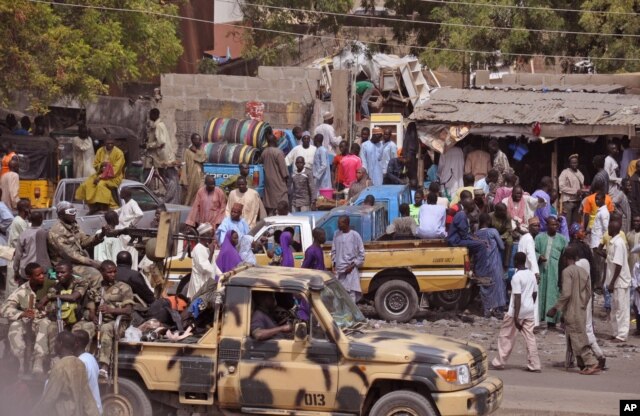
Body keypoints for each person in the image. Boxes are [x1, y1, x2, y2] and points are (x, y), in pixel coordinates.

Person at [546, 247, 600, 375]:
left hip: (571, 309)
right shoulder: (584, 272)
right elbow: (588, 292)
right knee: (576, 336)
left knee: (578, 337)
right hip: (581, 308)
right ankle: (582, 365)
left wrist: (555, 308)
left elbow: (566, 293)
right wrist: (583, 304)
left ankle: (591, 362)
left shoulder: (567, 272)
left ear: (565, 258)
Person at [491, 252, 540, 372]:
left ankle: (499, 362)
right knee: (530, 337)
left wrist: (516, 317)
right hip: (529, 310)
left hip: (515, 311)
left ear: (516, 261)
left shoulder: (516, 277)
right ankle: (535, 364)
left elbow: (517, 297)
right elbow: (534, 293)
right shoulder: (531, 275)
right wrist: (530, 305)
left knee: (506, 336)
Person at [31, 331, 100, 416]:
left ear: (60, 343)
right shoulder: (79, 364)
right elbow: (87, 396)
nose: (54, 345)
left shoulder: (60, 367)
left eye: (55, 342)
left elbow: (50, 397)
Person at [0, 262, 51, 375]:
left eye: (43, 273)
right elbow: (4, 309)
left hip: (43, 321)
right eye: (38, 275)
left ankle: (39, 361)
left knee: (45, 323)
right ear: (29, 277)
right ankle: (21, 362)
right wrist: (22, 314)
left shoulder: (49, 286)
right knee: (14, 326)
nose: (42, 276)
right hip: (28, 323)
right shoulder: (21, 291)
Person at [87, 260, 134, 378]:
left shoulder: (124, 287)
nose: (113, 274)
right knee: (83, 327)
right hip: (100, 320)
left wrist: (111, 310)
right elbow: (91, 307)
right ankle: (85, 361)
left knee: (106, 328)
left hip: (119, 322)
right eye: (109, 272)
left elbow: (128, 310)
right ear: (102, 273)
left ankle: (104, 366)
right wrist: (93, 316)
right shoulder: (96, 288)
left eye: (114, 272)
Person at [41, 261, 95, 338]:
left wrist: (50, 296)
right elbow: (45, 305)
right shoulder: (56, 286)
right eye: (57, 273)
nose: (59, 275)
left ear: (71, 272)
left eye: (63, 272)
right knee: (51, 329)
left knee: (77, 333)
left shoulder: (81, 282)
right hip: (62, 318)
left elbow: (73, 297)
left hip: (80, 317)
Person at [75, 138, 125, 212]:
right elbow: (95, 164)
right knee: (86, 184)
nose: (110, 145)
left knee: (101, 185)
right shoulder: (100, 151)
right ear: (104, 143)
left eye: (112, 143)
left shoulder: (119, 153)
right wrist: (101, 165)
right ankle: (92, 205)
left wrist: (100, 177)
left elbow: (115, 170)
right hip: (99, 174)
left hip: (114, 177)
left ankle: (110, 205)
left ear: (114, 143)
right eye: (108, 143)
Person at [535, 216, 567, 328]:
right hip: (542, 270)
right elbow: (533, 252)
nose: (554, 227)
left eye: (556, 225)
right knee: (541, 294)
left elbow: (565, 257)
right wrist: (539, 256)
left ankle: (552, 321)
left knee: (553, 294)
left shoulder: (562, 240)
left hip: (555, 272)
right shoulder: (539, 238)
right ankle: (539, 318)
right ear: (547, 226)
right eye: (552, 225)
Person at [475, 213, 507, 317]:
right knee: (498, 285)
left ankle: (487, 309)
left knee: (485, 286)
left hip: (481, 264)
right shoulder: (493, 231)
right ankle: (498, 310)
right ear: (489, 221)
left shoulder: (476, 234)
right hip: (494, 262)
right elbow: (502, 247)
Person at [605, 219, 631, 342]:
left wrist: (611, 282)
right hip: (614, 282)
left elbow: (618, 265)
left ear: (614, 229)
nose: (607, 230)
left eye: (609, 228)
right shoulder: (612, 242)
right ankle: (615, 332)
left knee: (621, 309)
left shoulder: (619, 243)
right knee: (614, 309)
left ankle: (622, 335)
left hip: (620, 282)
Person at [447, 199, 489, 274]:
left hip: (459, 239)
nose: (474, 206)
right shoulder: (462, 216)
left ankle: (474, 268)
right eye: (472, 204)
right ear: (468, 206)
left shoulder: (464, 215)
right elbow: (464, 235)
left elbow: (467, 233)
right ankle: (480, 273)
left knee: (481, 242)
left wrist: (478, 239)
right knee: (481, 246)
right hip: (456, 241)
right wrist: (478, 241)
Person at [331, 216, 365, 301]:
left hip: (350, 271)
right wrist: (334, 266)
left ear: (347, 224)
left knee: (351, 296)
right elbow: (334, 251)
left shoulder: (355, 235)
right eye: (338, 224)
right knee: (339, 296)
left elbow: (362, 255)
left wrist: (352, 266)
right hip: (339, 271)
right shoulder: (336, 234)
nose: (338, 226)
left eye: (340, 224)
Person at [14, 210, 50, 279]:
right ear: (41, 220)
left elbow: (18, 255)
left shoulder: (23, 234)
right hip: (42, 271)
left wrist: (16, 270)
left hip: (26, 270)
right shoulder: (45, 234)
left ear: (30, 220)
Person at [73, 330, 102, 415]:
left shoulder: (80, 362)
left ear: (76, 343)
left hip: (88, 410)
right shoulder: (90, 357)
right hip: (94, 408)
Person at [260, 134, 289, 215]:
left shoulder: (264, 152)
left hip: (268, 183)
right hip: (279, 182)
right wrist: (286, 180)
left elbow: (260, 162)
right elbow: (284, 170)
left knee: (270, 203)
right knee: (282, 201)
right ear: (275, 141)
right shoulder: (278, 152)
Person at [6, 199, 30, 293]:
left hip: (17, 258)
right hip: (15, 258)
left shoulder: (21, 221)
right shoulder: (19, 222)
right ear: (26, 209)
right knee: (14, 286)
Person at [188, 225, 219, 297]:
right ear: (204, 236)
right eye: (211, 236)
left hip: (207, 283)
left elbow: (213, 265)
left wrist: (222, 275)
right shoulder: (198, 249)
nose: (212, 238)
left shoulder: (208, 248)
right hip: (200, 284)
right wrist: (211, 253)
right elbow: (204, 269)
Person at [180, 133, 207, 206]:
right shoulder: (187, 152)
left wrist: (195, 151)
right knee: (188, 198)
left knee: (200, 195)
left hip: (199, 178)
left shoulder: (201, 151)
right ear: (193, 140)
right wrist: (184, 181)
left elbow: (203, 159)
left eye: (200, 140)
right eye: (198, 140)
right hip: (190, 179)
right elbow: (184, 166)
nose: (200, 141)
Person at [559, 154, 585, 227]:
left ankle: (574, 237)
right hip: (568, 202)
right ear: (569, 163)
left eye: (576, 162)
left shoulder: (579, 173)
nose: (574, 164)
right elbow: (561, 187)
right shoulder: (565, 173)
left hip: (578, 201)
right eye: (573, 163)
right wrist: (575, 191)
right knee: (567, 223)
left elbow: (582, 185)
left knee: (575, 224)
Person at [490, 202, 514, 268]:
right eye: (503, 211)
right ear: (496, 211)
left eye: (505, 211)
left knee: (510, 241)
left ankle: (506, 264)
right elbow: (487, 229)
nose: (505, 212)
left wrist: (502, 237)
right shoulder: (490, 216)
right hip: (492, 235)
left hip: (503, 234)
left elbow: (509, 229)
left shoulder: (507, 216)